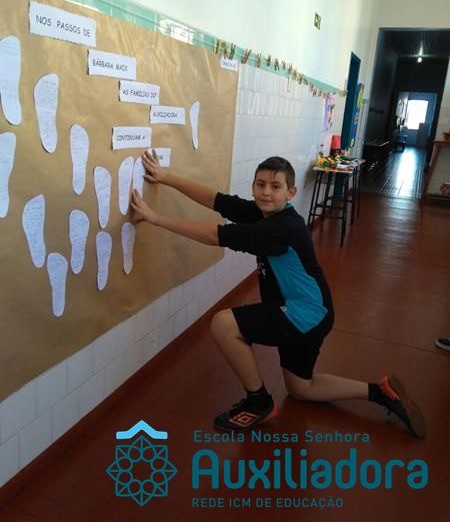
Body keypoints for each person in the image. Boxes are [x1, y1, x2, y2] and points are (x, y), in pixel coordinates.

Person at [130, 150, 426, 438]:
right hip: (317, 312)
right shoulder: (264, 212)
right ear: (254, 187)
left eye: (275, 186)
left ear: (290, 193)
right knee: (301, 389)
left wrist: (155, 218)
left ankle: (258, 401)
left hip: (302, 314)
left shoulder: (282, 227)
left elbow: (215, 235)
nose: (266, 192)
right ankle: (380, 391)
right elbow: (215, 200)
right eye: (261, 185)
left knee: (224, 324)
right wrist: (165, 177)